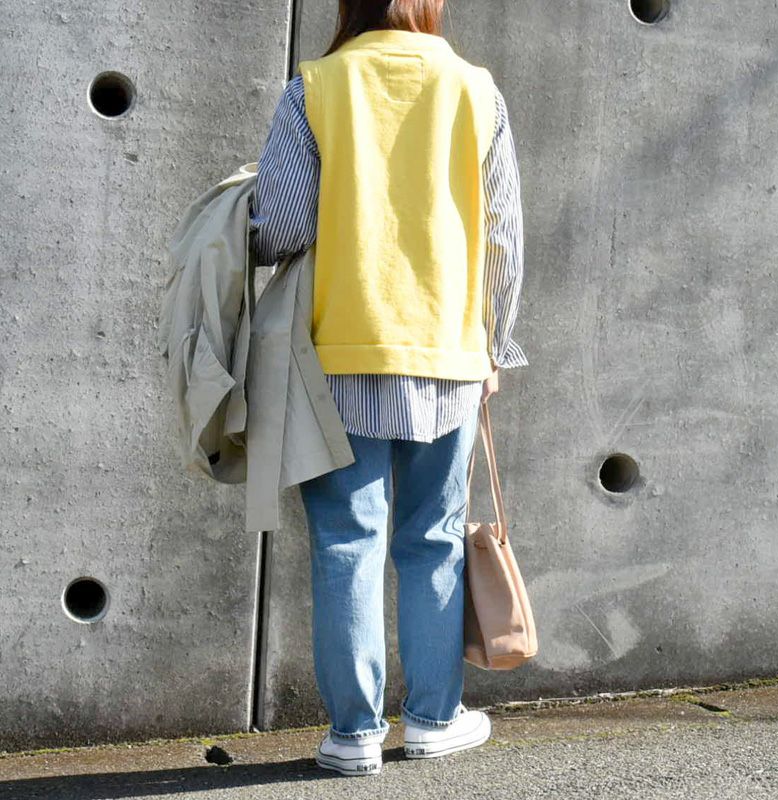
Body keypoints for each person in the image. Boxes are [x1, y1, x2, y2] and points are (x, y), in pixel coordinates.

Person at [250, 0, 528, 778]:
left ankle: (352, 735)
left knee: (347, 539)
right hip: (448, 351)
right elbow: (503, 235)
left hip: (340, 350)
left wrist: (245, 218)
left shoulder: (315, 86)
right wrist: (494, 344)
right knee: (433, 537)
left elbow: (283, 224)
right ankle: (435, 720)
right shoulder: (476, 88)